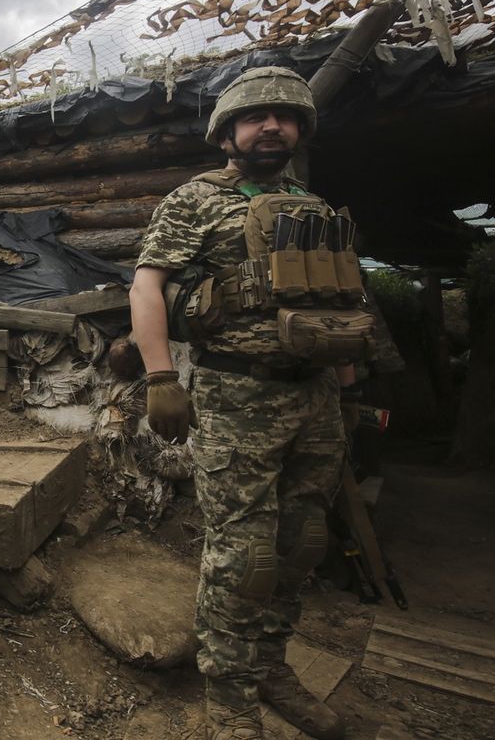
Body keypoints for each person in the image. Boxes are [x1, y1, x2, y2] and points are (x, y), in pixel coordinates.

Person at [129, 67, 371, 740]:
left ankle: (269, 668)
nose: (272, 125)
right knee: (244, 554)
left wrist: (348, 393)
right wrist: (160, 377)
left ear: (299, 130)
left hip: (316, 398)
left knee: (301, 545)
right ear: (229, 132)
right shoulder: (196, 201)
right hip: (237, 394)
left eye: (285, 116)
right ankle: (230, 692)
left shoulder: (316, 208)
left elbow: (337, 300)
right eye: (256, 116)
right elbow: (148, 286)